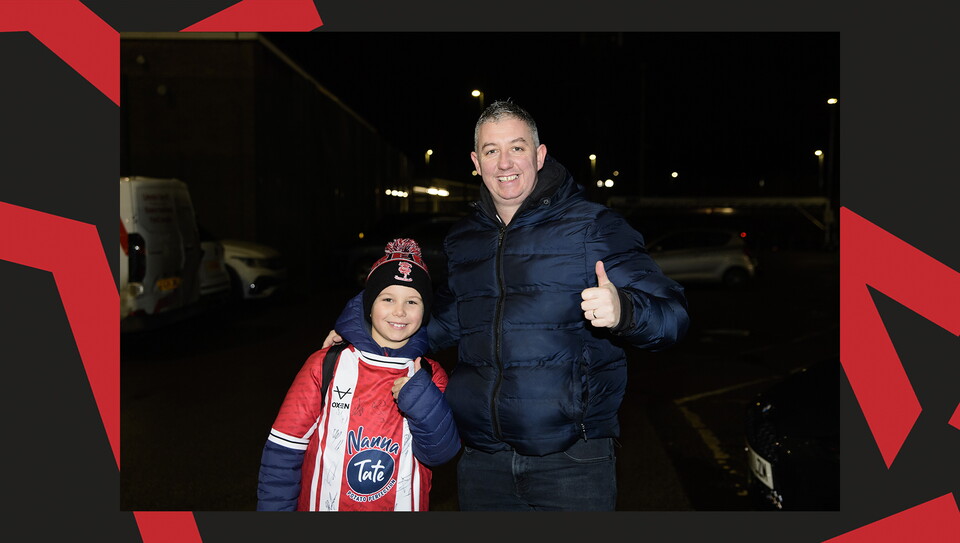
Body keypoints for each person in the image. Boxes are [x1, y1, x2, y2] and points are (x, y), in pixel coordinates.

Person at [325, 99, 689, 511]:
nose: (504, 163)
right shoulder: (464, 239)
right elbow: (439, 321)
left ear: (539, 154)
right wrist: (358, 336)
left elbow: (673, 317)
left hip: (571, 462)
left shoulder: (592, 227)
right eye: (491, 150)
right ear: (475, 162)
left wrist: (624, 310)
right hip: (483, 460)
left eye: (516, 147)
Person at [257, 238, 460, 511]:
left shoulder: (430, 375)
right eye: (387, 299)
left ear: (425, 311)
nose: (399, 311)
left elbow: (440, 453)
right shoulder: (325, 365)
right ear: (369, 305)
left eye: (413, 301)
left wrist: (422, 401)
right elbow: (283, 451)